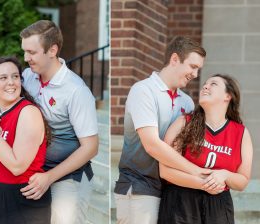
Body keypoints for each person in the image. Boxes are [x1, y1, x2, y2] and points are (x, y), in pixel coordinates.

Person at [114, 36, 208, 224]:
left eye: (198, 69)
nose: (195, 75)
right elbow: (152, 145)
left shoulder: (187, 102)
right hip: (140, 187)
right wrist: (197, 172)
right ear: (174, 59)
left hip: (171, 191)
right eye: (192, 66)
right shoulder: (143, 90)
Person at [19, 20, 99, 224]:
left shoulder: (76, 91)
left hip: (67, 180)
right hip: (35, 175)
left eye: (31, 52)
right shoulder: (28, 76)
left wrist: (49, 177)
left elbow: (90, 147)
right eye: (24, 51)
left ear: (52, 50)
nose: (26, 58)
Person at [158, 74, 253, 224]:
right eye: (205, 84)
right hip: (180, 201)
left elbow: (242, 181)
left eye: (213, 84)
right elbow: (165, 171)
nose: (205, 86)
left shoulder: (241, 133)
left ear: (228, 96)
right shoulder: (184, 122)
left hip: (218, 205)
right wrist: (204, 184)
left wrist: (224, 174)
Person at [0, 56, 51, 224]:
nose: (11, 82)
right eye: (3, 77)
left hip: (20, 199)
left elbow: (17, 166)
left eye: (15, 76)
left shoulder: (28, 113)